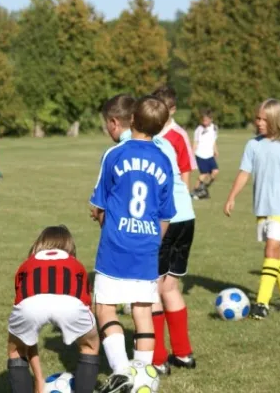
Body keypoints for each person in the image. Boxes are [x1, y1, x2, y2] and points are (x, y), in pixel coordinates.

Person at [99, 94, 196, 374]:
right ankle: (184, 353)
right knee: (170, 288)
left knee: (149, 291)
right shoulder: (161, 142)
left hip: (159, 222)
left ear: (123, 121)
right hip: (186, 217)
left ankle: (157, 359)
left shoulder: (125, 149)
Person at [90, 96, 176, 393]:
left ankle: (121, 373)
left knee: (105, 307)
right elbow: (165, 215)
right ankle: (143, 376)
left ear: (133, 121)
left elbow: (98, 205)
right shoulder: (164, 160)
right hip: (147, 247)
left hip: (115, 245)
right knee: (142, 310)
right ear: (162, 126)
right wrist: (153, 242)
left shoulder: (115, 154)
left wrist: (104, 221)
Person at [224, 98, 280, 320]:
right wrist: (231, 196)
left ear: (275, 120)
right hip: (262, 207)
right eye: (257, 118)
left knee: (271, 249)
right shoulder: (253, 145)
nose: (260, 123)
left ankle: (261, 303)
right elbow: (244, 172)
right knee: (277, 253)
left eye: (265, 119)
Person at [7, 225, 100, 393]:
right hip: (72, 303)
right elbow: (87, 303)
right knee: (90, 347)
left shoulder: (27, 265)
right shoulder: (76, 265)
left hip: (30, 304)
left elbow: (29, 338)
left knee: (16, 351)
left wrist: (39, 379)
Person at [151, 86, 197, 187]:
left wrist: (184, 200)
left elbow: (185, 171)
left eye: (163, 110)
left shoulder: (179, 136)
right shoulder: (146, 131)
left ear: (172, 110)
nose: (159, 113)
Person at [192, 109, 219, 199]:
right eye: (203, 120)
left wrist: (216, 150)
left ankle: (203, 189)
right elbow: (195, 143)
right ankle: (195, 191)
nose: (205, 122)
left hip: (210, 155)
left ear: (211, 119)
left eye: (207, 120)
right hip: (200, 155)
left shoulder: (214, 128)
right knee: (203, 174)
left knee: (215, 172)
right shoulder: (198, 130)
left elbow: (213, 141)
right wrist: (192, 155)